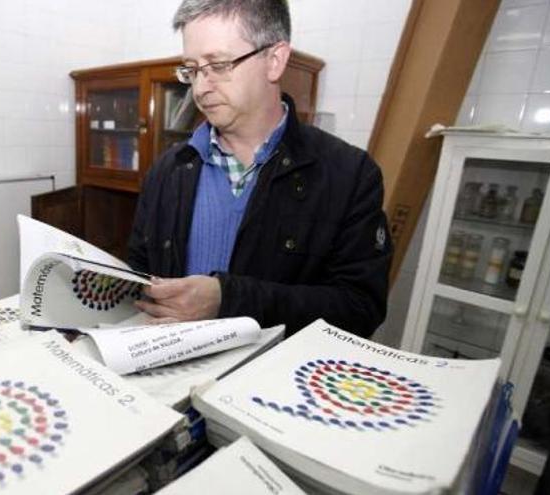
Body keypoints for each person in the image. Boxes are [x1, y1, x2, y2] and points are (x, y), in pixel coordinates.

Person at [128, 0, 392, 338]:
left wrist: (231, 300)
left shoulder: (350, 175)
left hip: (272, 383)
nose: (200, 88)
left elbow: (360, 308)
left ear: (275, 60)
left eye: (219, 65)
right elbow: (139, 271)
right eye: (192, 70)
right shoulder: (167, 169)